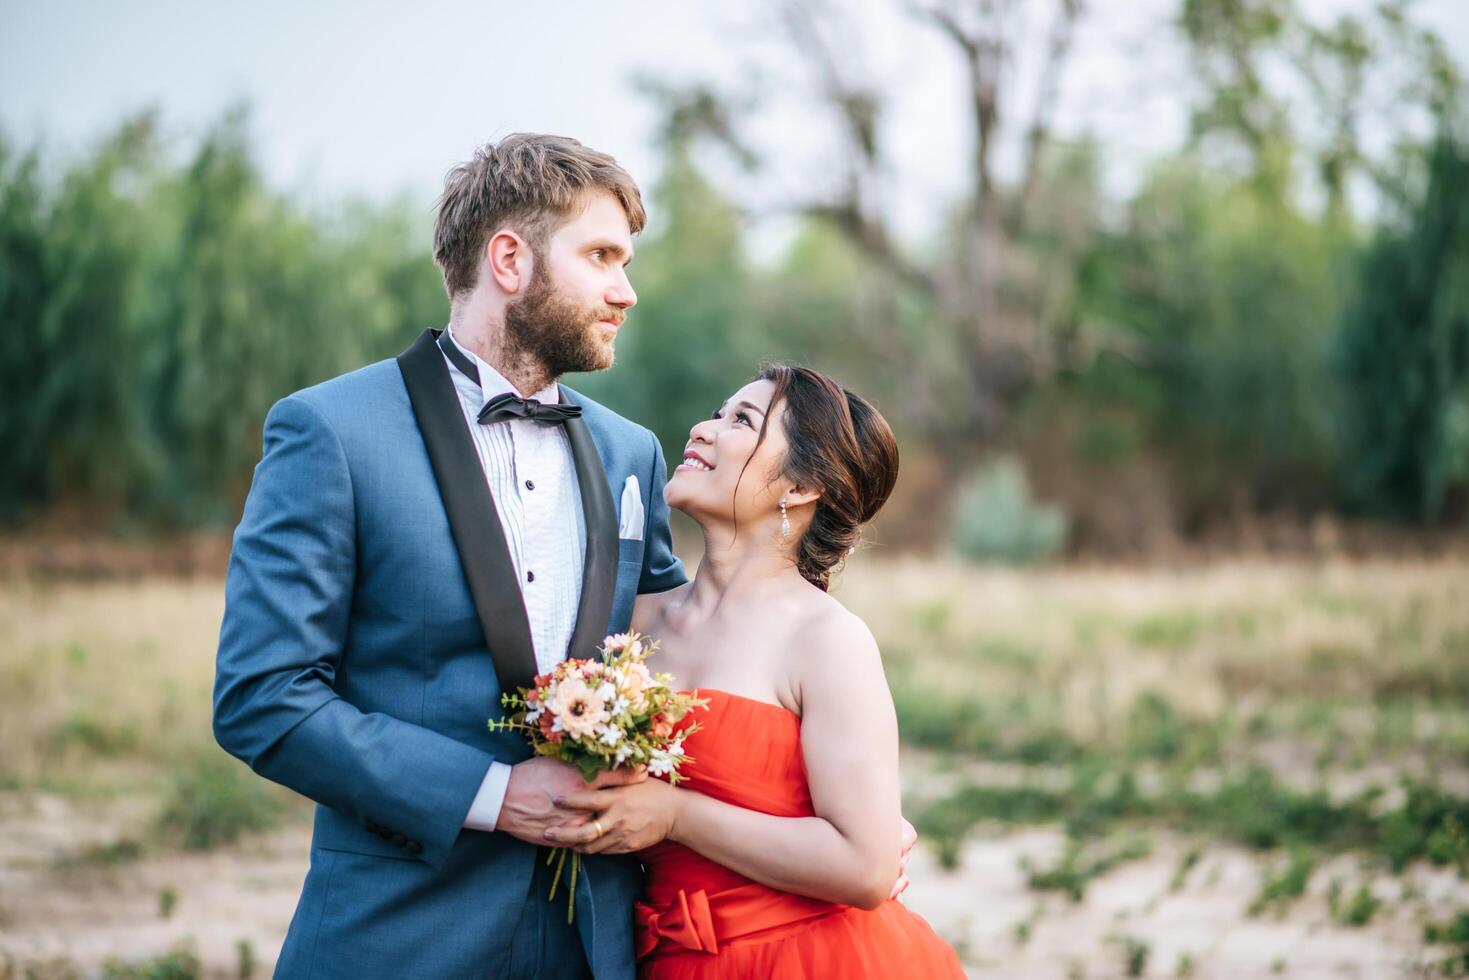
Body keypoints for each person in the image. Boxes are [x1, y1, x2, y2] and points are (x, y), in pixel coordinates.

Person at [212, 133, 914, 980]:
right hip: (401, 931)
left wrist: (853, 839)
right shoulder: (334, 432)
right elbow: (264, 699)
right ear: (509, 259)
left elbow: (700, 652)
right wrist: (495, 796)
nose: (626, 290)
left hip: (602, 941)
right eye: (601, 257)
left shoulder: (629, 455)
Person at [543, 365, 966, 978]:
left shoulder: (825, 639)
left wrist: (675, 816)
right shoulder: (630, 624)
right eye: (718, 413)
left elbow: (868, 869)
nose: (702, 430)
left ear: (799, 486)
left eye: (741, 421)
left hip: (810, 958)